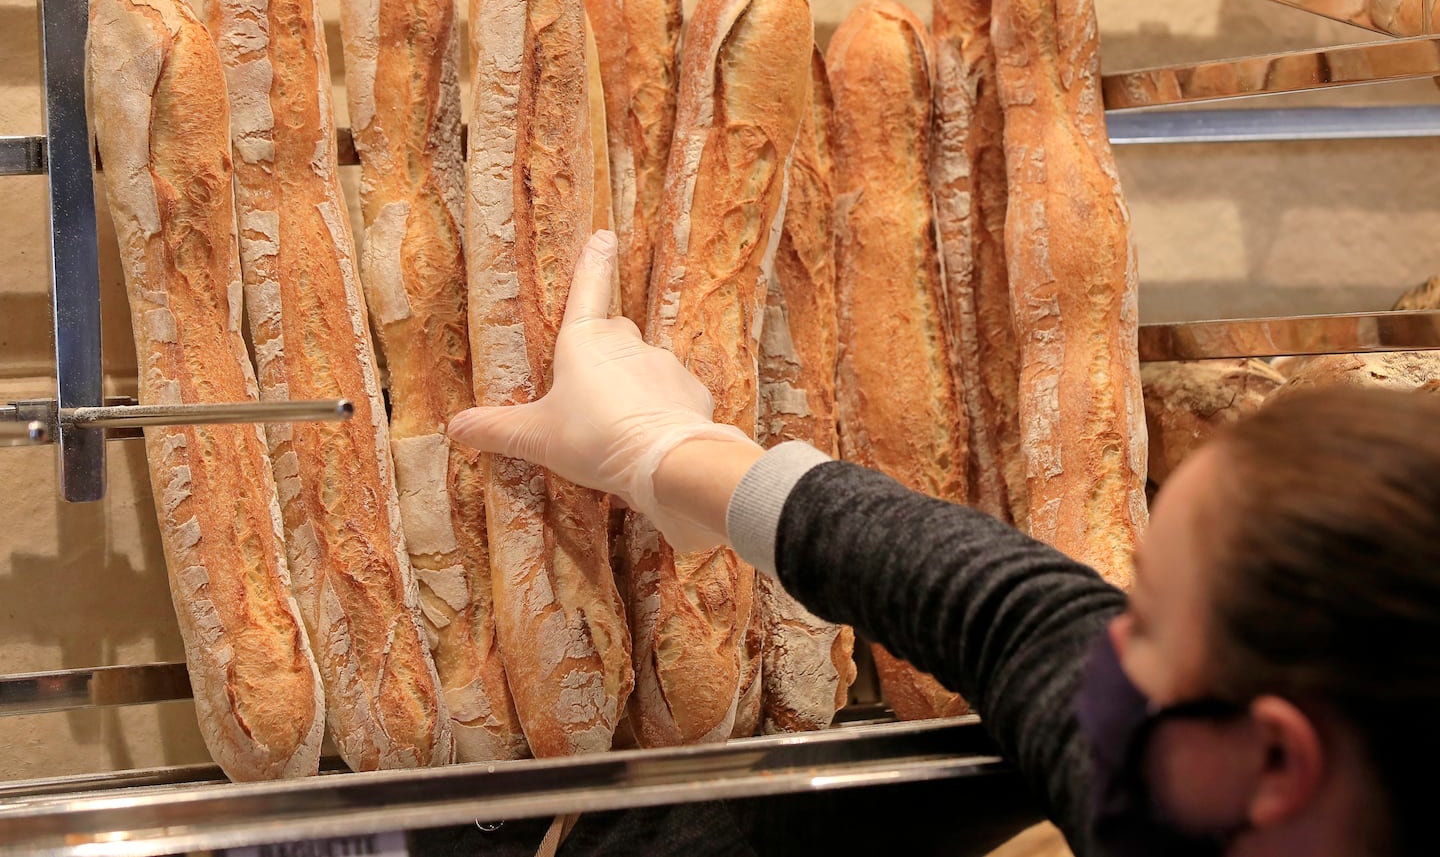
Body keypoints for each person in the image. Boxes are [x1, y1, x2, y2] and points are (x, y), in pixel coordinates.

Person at [448, 231, 1438, 857]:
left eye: (1142, 624)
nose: (1102, 643)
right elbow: (1015, 618)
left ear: (1278, 760)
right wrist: (671, 452)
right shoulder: (1221, 795)